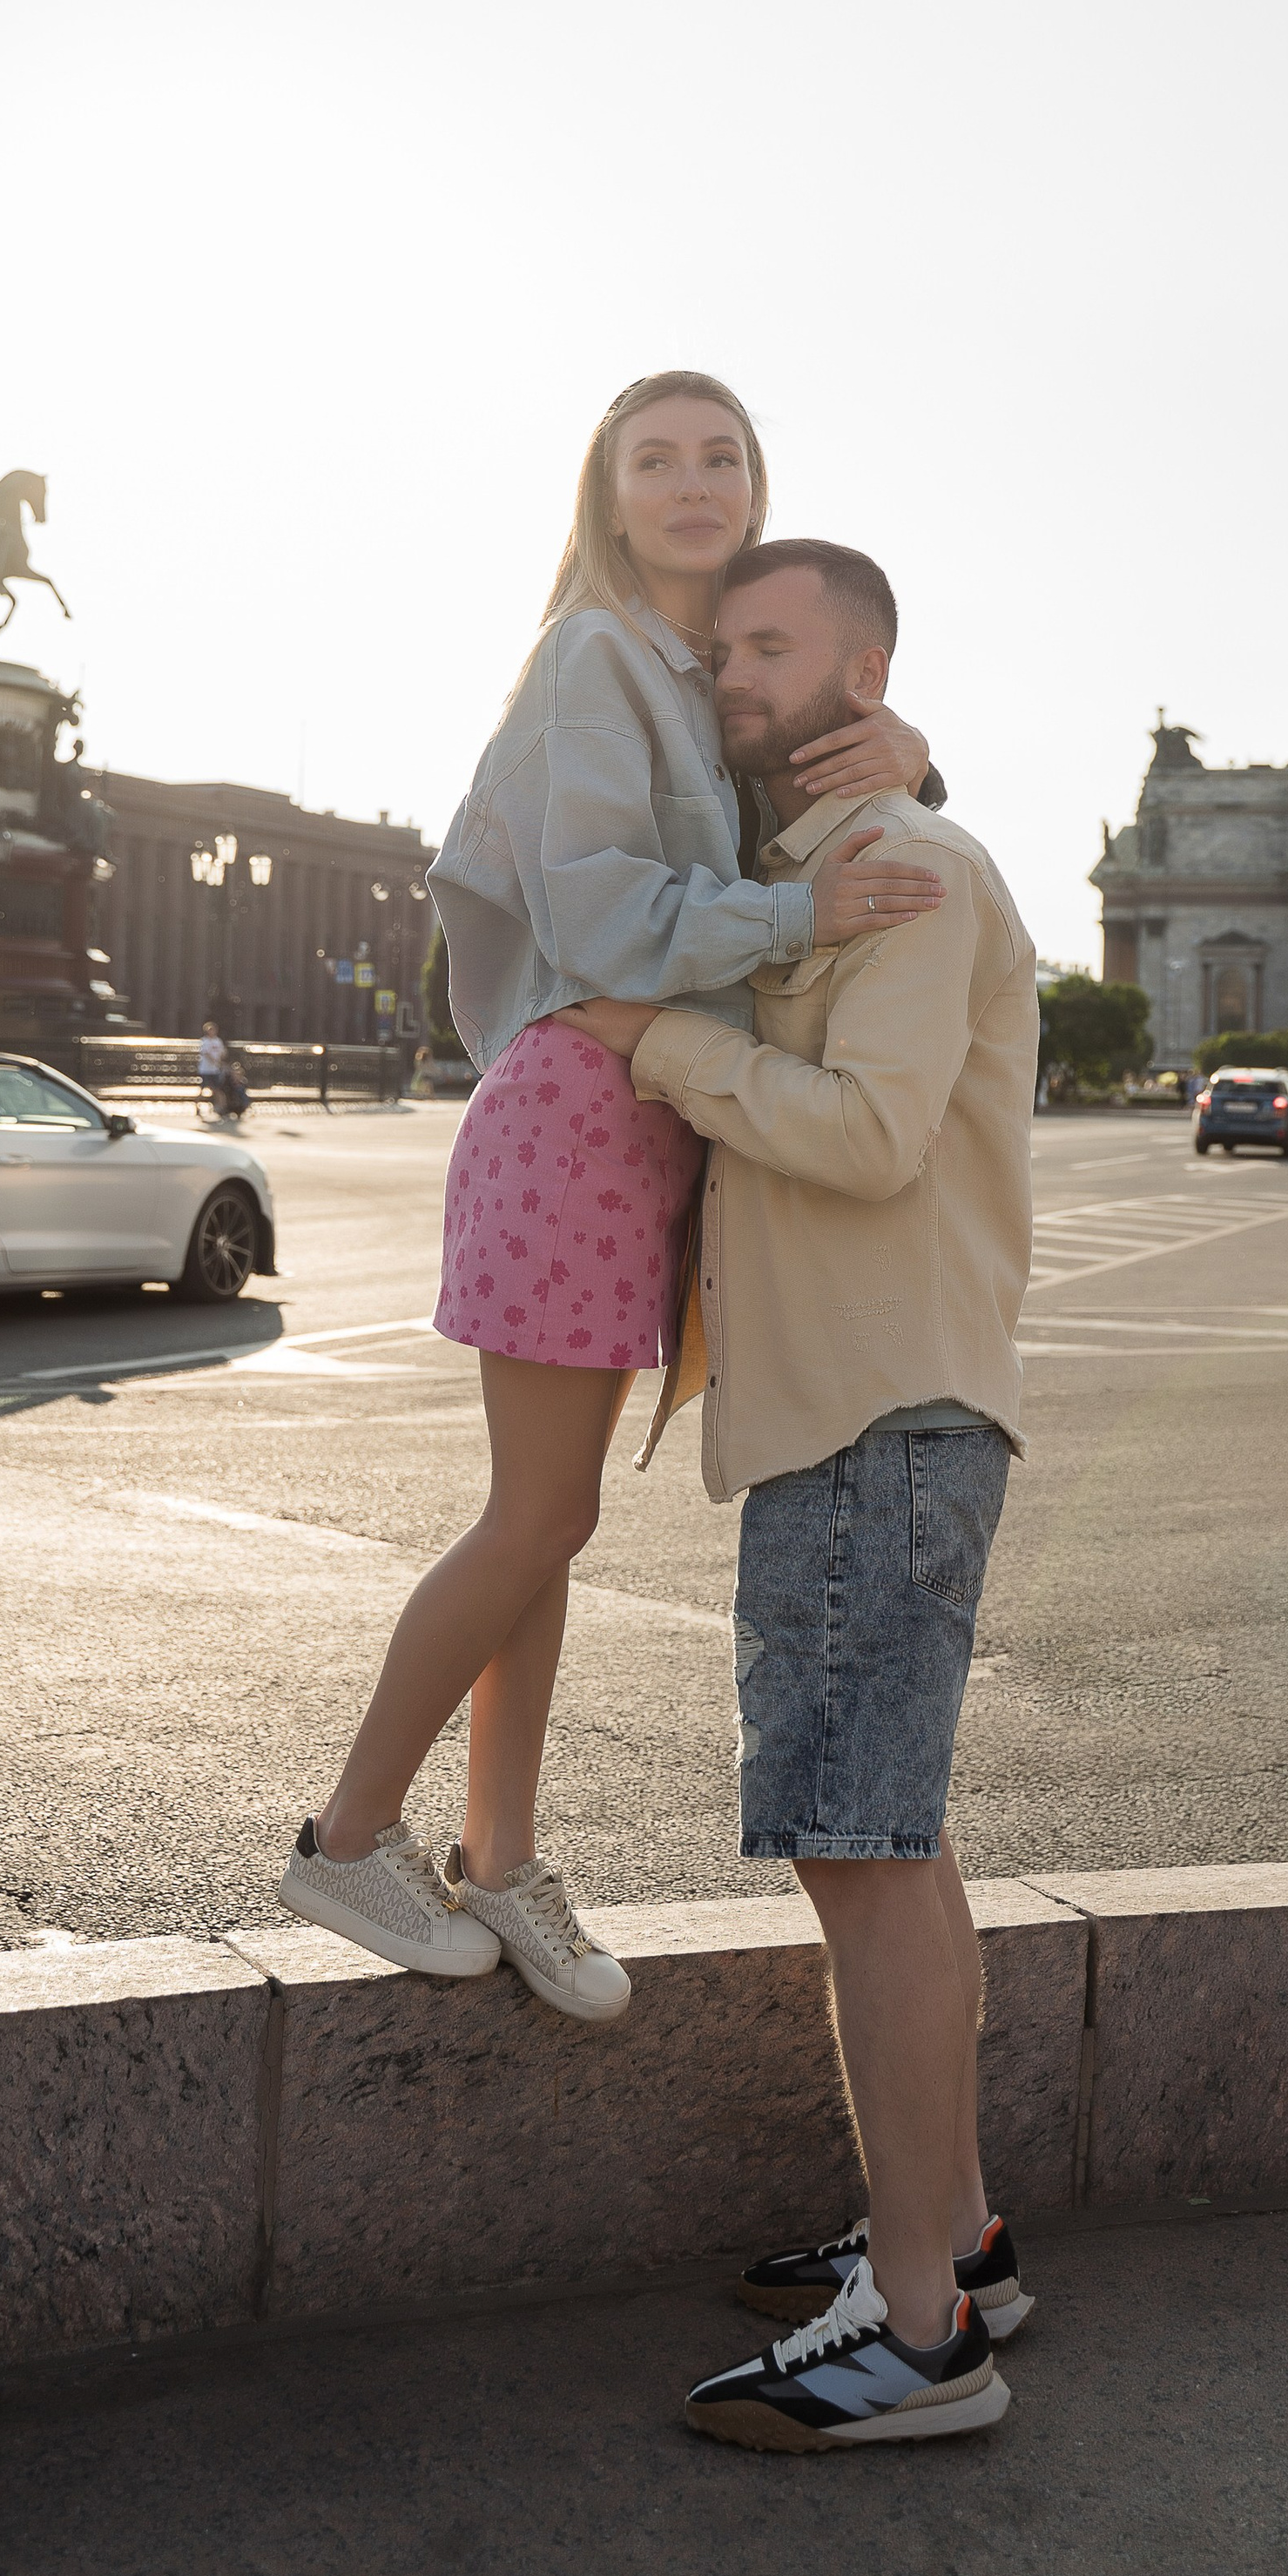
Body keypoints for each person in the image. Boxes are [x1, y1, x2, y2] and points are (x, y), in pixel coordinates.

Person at [278, 377, 942, 2026]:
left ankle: (498, 1859)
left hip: (641, 1124)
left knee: (548, 1527)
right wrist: (793, 911)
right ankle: (348, 1835)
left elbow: (827, 780)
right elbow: (594, 908)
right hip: (581, 1104)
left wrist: (915, 743)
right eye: (661, 459)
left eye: (724, 457)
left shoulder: (705, 675)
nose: (696, 482)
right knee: (537, 1517)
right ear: (611, 491)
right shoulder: (596, 657)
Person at [565, 537, 1036, 2451]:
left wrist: (660, 1051)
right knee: (891, 1850)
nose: (731, 672)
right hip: (860, 1411)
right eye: (722, 647)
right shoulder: (817, 873)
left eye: (770, 648)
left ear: (866, 663)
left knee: (862, 1856)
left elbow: (864, 1132)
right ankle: (955, 2237)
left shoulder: (907, 870)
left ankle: (920, 2337)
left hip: (874, 1415)